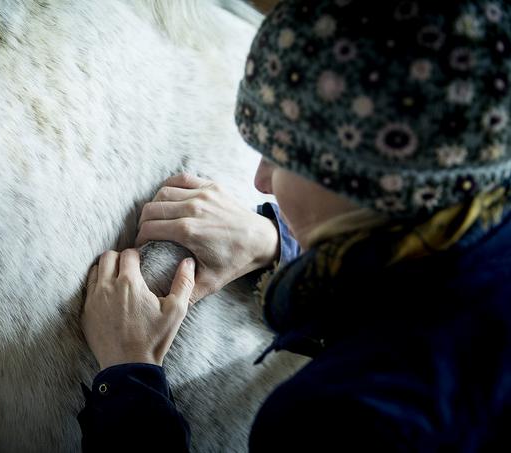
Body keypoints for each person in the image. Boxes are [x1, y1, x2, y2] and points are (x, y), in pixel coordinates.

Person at [78, 0, 511, 451]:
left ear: (361, 182)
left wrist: (129, 375)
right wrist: (278, 243)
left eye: (281, 156)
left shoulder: (337, 417)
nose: (261, 180)